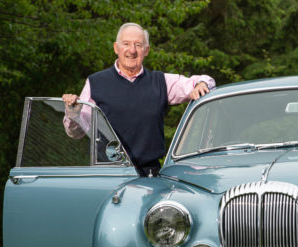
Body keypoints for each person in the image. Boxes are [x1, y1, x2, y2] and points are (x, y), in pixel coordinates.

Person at [62, 22, 215, 176]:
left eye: (138, 45)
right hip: (107, 175)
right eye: (126, 44)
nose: (132, 50)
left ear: (146, 50)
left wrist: (200, 84)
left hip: (150, 175)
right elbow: (77, 133)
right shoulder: (96, 83)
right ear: (116, 48)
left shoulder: (160, 81)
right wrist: (73, 114)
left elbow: (206, 82)